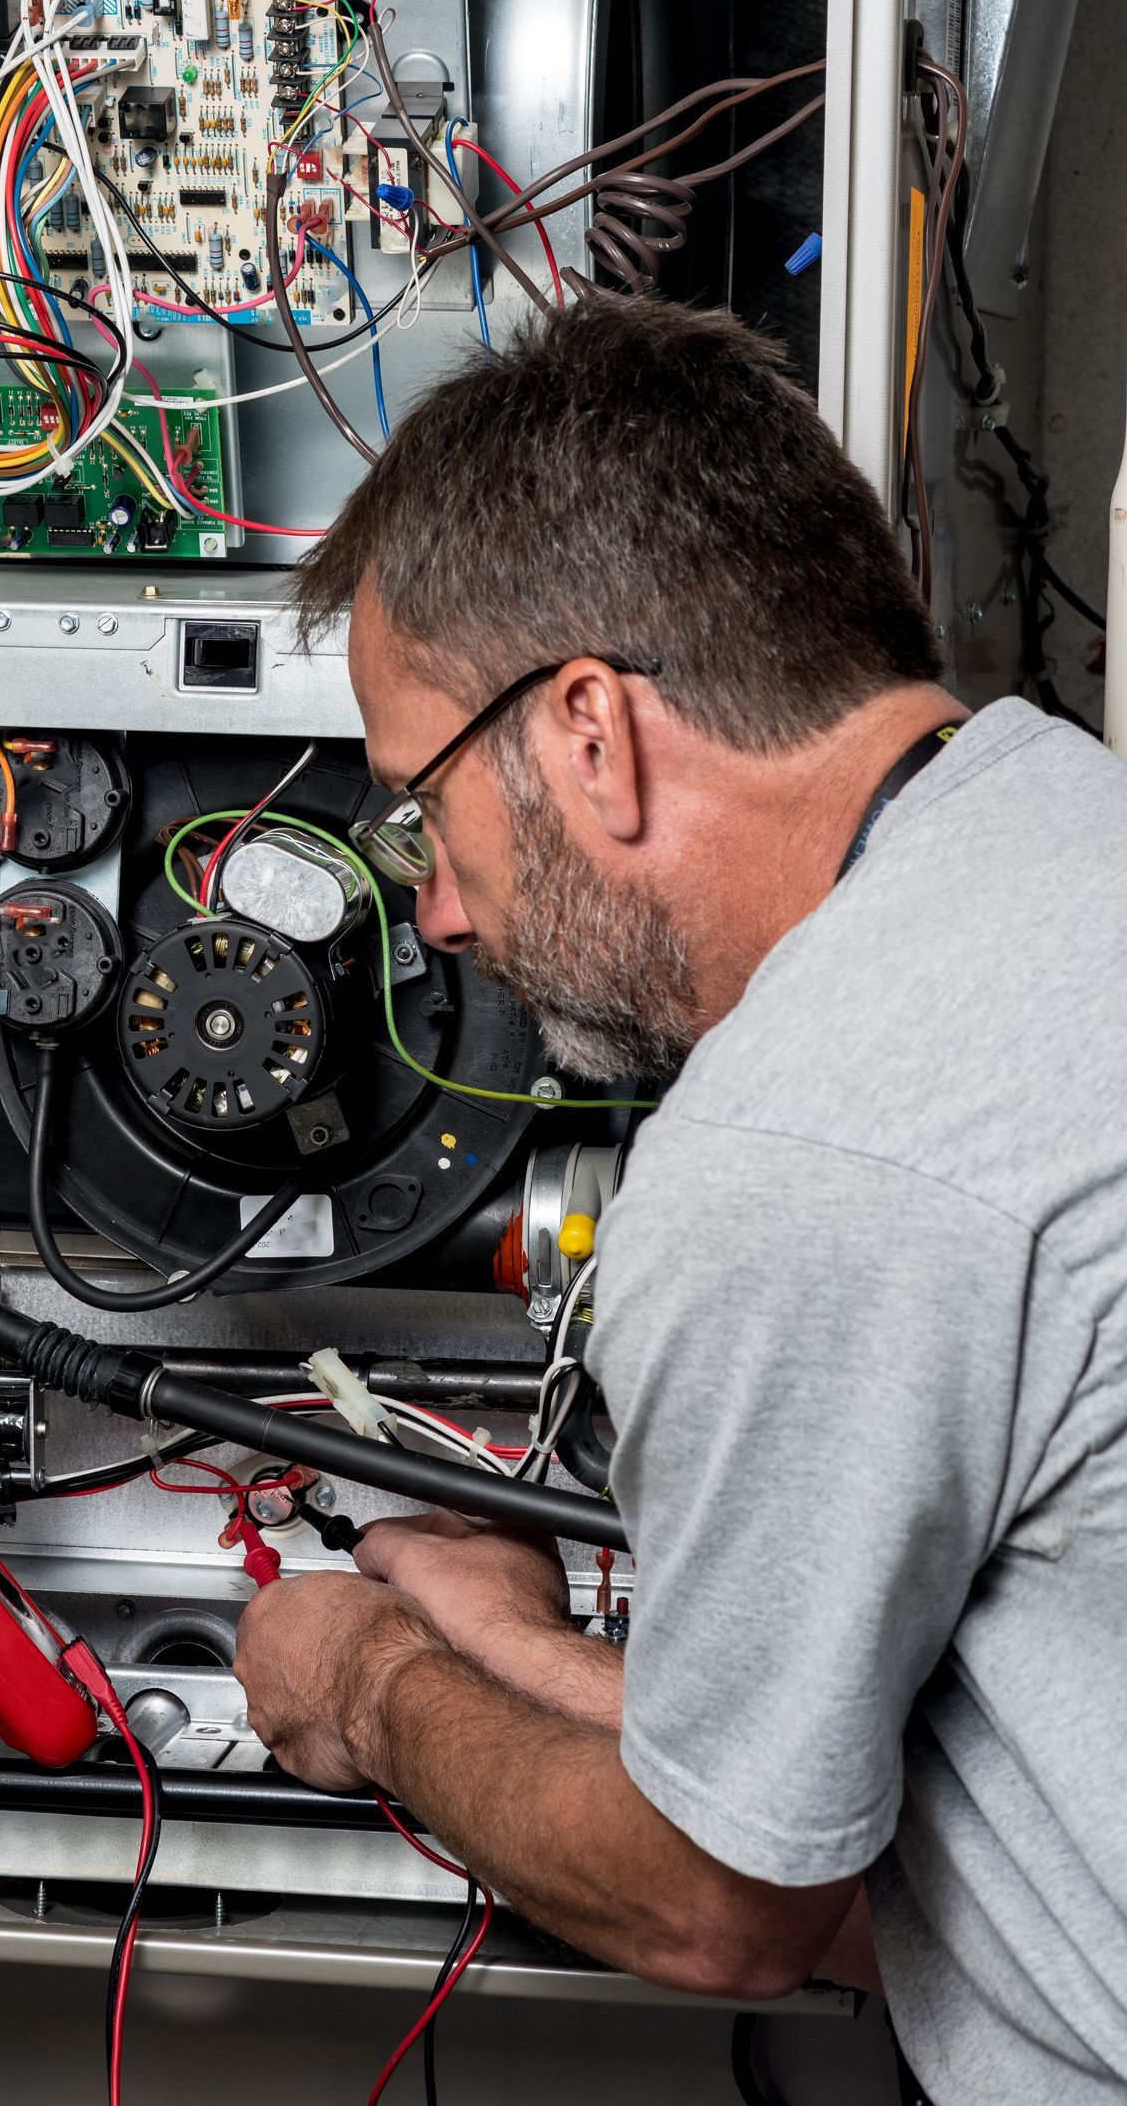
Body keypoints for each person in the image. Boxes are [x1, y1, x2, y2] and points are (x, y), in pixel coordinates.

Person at [231, 298, 1127, 2104]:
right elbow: (1001, 1828)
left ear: (588, 737)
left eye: (422, 816)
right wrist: (508, 1648)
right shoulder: (1061, 829)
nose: (443, 913)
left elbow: (724, 1908)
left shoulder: (807, 1150)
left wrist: (374, 1691)